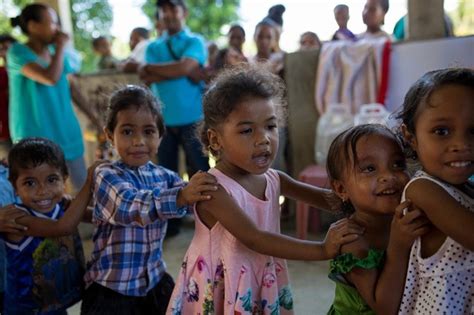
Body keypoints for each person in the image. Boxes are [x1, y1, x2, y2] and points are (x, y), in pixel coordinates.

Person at [166, 65, 364, 314]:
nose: (264, 139)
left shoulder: (274, 179)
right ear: (216, 140)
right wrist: (323, 249)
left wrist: (368, 204)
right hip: (221, 288)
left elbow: (330, 200)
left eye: (270, 126)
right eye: (247, 130)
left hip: (259, 277)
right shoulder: (213, 190)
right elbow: (255, 238)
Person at [81, 85, 217, 315]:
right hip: (112, 289)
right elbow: (128, 207)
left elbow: (195, 204)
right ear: (109, 135)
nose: (138, 141)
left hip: (153, 280)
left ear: (161, 136)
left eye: (148, 131)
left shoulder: (166, 177)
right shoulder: (105, 174)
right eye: (127, 131)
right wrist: (182, 196)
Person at [325, 124, 430, 314]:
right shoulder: (353, 239)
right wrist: (398, 245)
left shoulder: (407, 217)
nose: (388, 176)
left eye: (397, 164)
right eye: (370, 168)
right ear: (341, 189)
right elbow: (384, 308)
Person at [396, 68, 474, 314]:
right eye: (442, 131)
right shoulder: (423, 190)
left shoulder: (465, 186)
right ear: (410, 137)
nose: (462, 145)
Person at [1, 137, 100, 314]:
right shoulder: (17, 218)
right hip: (25, 310)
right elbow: (62, 228)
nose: (42, 190)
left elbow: (100, 217)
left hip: (55, 303)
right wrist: (89, 182)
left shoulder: (63, 205)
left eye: (51, 179)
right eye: (29, 183)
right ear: (15, 187)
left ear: (64, 179)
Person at [140, 0, 210, 237]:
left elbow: (184, 67)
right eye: (164, 10)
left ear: (184, 12)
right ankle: (172, 224)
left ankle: (207, 217)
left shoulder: (195, 41)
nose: (169, 14)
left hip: (194, 119)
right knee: (165, 174)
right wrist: (179, 69)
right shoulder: (153, 46)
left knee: (200, 172)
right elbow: (147, 75)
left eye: (173, 9)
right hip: (163, 121)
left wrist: (157, 69)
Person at [7, 4, 87, 193]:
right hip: (34, 138)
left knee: (84, 191)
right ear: (33, 26)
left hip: (67, 132)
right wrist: (60, 47)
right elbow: (49, 78)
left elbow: (72, 89)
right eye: (52, 23)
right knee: (41, 196)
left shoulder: (55, 53)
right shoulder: (17, 52)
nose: (57, 29)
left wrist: (95, 118)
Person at [0, 35, 16, 154]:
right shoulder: (1, 72)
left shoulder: (24, 71)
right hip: (4, 130)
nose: (4, 51)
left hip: (23, 128)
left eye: (7, 48)